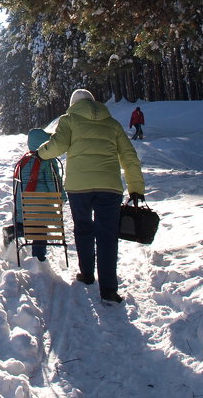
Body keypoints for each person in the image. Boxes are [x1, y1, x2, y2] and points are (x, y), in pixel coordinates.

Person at [36, 89, 146, 305]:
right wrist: (135, 187)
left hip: (79, 187)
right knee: (107, 236)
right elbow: (129, 156)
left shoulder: (69, 120)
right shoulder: (112, 124)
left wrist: (40, 152)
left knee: (84, 228)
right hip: (109, 187)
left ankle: (86, 274)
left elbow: (57, 146)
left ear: (73, 103)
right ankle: (108, 289)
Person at [12, 127, 64, 262]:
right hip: (42, 206)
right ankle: (38, 258)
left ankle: (16, 231)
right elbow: (54, 183)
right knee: (41, 229)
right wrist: (61, 197)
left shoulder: (23, 161)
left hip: (25, 207)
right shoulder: (48, 161)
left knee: (32, 223)